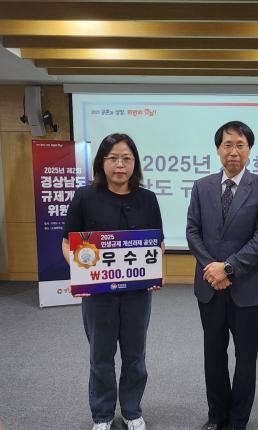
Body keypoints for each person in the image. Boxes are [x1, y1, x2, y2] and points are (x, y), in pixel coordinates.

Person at [62, 133, 165, 430]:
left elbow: (157, 243)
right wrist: (80, 271)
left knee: (135, 355)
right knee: (101, 356)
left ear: (135, 163)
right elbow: (68, 243)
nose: (120, 165)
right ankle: (102, 415)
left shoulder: (147, 199)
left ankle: (132, 411)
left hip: (137, 293)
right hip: (98, 294)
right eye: (113, 158)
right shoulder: (85, 197)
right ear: (102, 162)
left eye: (127, 159)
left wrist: (156, 271)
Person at [186, 121, 258, 430]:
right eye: (227, 145)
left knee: (245, 357)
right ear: (218, 149)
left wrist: (227, 268)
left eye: (240, 145)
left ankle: (239, 420)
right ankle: (217, 416)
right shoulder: (201, 187)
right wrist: (212, 268)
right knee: (213, 355)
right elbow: (192, 231)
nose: (234, 152)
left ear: (249, 149)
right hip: (209, 286)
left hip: (247, 288)